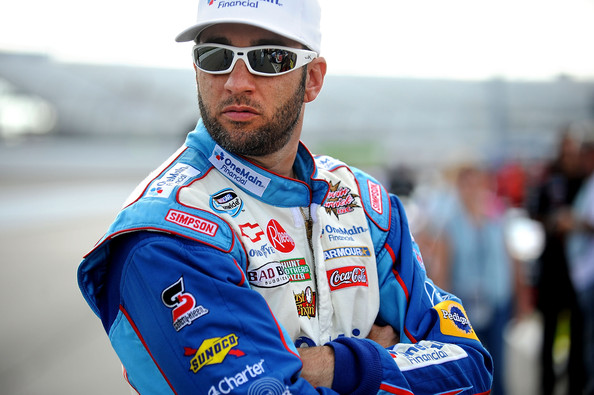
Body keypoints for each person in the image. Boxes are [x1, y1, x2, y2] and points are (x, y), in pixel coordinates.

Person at [77, 1, 493, 393]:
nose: (236, 83)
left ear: (312, 79)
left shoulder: (368, 205)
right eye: (216, 56)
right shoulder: (168, 232)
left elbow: (472, 366)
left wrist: (334, 364)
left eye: (268, 58)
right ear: (196, 68)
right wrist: (382, 354)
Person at [528, 129, 586, 394]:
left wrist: (575, 223)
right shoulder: (548, 180)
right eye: (566, 151)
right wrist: (554, 222)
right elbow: (534, 212)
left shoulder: (586, 183)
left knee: (579, 338)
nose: (569, 157)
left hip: (580, 273)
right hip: (552, 268)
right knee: (548, 335)